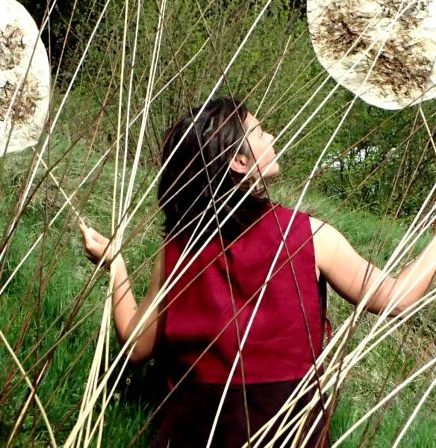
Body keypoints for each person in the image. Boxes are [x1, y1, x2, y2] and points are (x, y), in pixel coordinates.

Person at [80, 97, 435, 448]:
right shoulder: (309, 237)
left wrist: (116, 265)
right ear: (238, 160)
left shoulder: (178, 249)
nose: (273, 137)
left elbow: (135, 347)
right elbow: (397, 300)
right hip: (290, 437)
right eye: (260, 131)